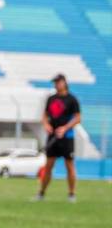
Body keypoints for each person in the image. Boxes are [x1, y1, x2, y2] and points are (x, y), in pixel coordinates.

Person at [33, 73, 81, 203]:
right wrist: (46, 125)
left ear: (64, 82)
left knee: (69, 165)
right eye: (55, 82)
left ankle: (71, 194)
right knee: (48, 165)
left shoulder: (72, 100)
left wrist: (65, 128)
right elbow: (45, 115)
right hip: (53, 136)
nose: (56, 84)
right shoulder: (51, 99)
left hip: (67, 137)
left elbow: (78, 118)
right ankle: (41, 193)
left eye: (58, 82)